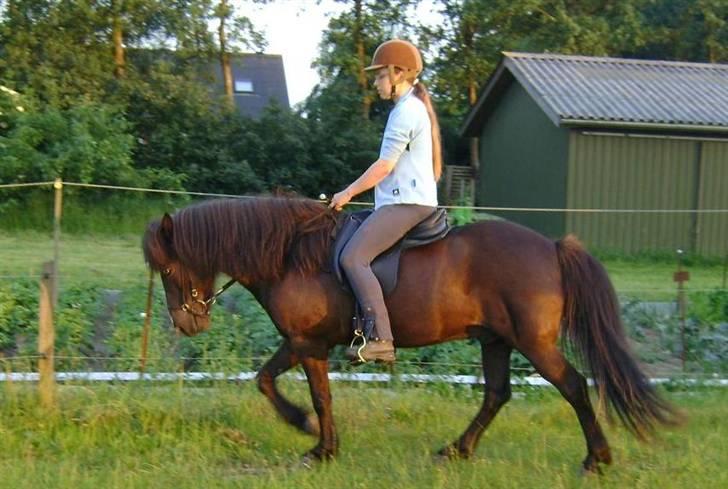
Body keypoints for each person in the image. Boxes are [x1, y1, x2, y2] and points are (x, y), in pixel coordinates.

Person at [329, 39, 442, 363]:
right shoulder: (408, 108)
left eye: (380, 76)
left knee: (353, 258)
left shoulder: (406, 111)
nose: (376, 82)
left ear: (398, 74)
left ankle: (380, 339)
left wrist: (347, 193)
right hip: (399, 201)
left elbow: (384, 166)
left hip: (406, 204)